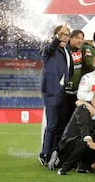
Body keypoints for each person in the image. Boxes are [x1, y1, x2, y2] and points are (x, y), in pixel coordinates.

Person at [39, 24, 74, 166]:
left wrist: (65, 82)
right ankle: (45, 154)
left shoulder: (66, 51)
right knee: (52, 125)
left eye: (67, 34)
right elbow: (50, 47)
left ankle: (54, 153)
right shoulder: (49, 48)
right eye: (62, 34)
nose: (65, 36)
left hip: (63, 92)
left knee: (60, 126)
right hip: (52, 91)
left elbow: (68, 70)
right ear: (55, 35)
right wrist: (57, 38)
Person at [52, 91, 95, 175]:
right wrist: (89, 140)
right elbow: (83, 125)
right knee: (85, 142)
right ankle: (64, 167)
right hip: (69, 144)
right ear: (92, 100)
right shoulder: (83, 108)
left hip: (81, 146)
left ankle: (84, 166)